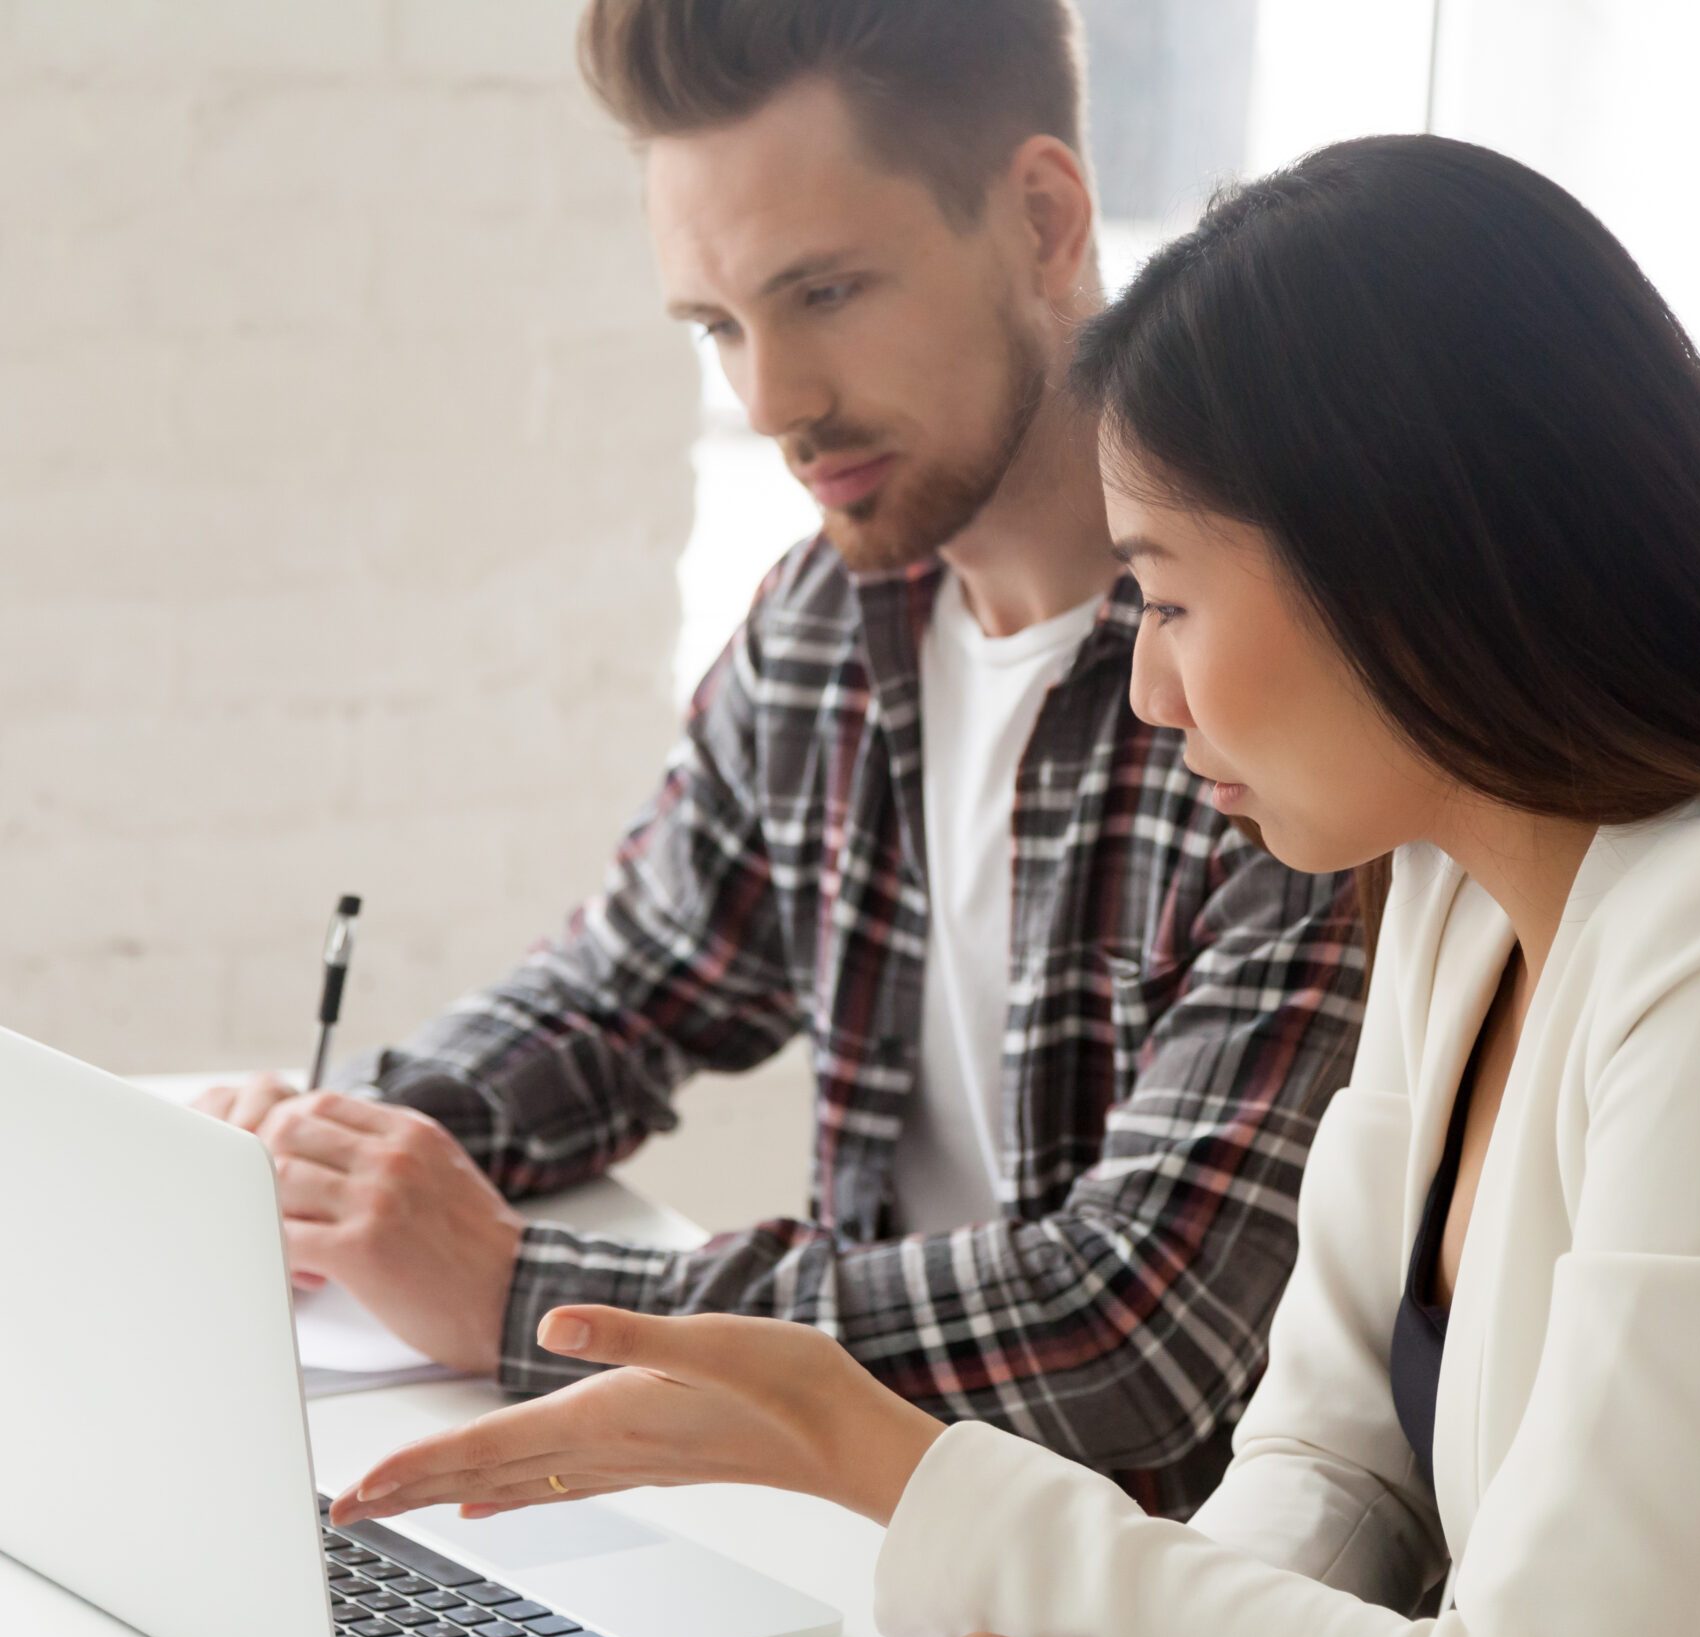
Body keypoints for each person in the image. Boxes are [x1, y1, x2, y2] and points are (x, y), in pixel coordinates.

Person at [330, 135, 1700, 1637]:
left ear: (1404, 552)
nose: (1147, 688)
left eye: (1162, 594)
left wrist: (896, 1463)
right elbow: (1338, 1469)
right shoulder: (1455, 897)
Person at [196, 0, 1365, 1520]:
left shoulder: (1281, 676)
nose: (769, 403)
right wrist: (335, 1150)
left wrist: (519, 1292)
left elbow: (1134, 1333)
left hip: (1148, 1623)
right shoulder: (835, 614)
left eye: (824, 290)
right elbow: (630, 988)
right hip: (864, 1546)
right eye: (719, 326)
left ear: (1042, 217)